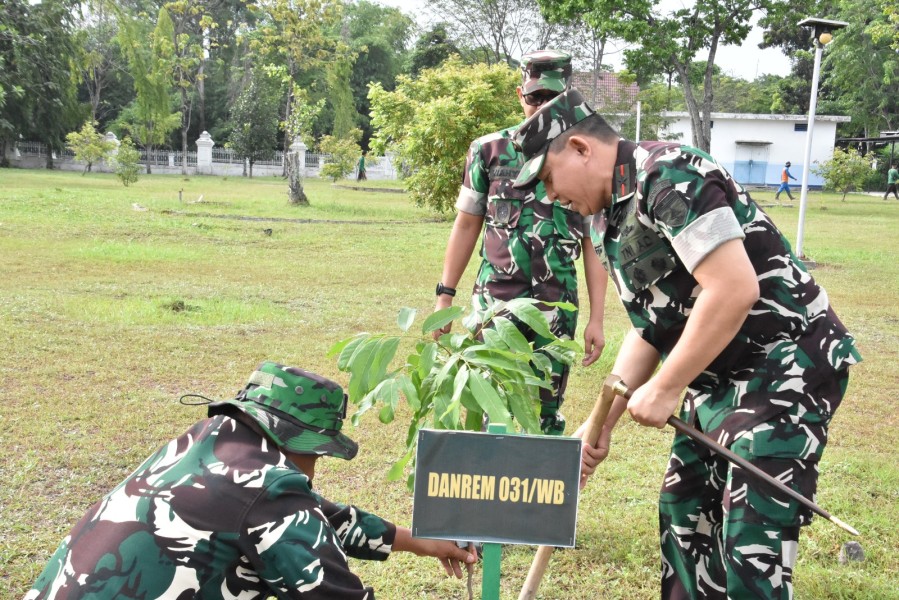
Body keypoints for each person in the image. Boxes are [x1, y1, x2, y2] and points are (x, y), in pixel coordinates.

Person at [511, 88, 861, 599]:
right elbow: (651, 326)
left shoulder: (669, 174)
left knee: (750, 535)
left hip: (785, 363)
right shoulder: (610, 214)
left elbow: (734, 288)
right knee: (685, 514)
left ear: (582, 149)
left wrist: (668, 386)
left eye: (547, 177)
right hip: (720, 376)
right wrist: (598, 426)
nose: (549, 195)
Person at [26, 361, 475, 599]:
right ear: (300, 442)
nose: (315, 468)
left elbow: (315, 516)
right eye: (318, 453)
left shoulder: (207, 445)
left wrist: (417, 541)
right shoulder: (270, 490)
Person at [433, 49, 607, 436]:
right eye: (535, 98)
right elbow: (466, 225)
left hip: (555, 307)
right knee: (485, 404)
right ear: (520, 94)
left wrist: (597, 317)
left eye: (553, 98)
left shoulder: (585, 157)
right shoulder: (489, 150)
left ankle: (535, 489)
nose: (542, 107)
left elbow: (595, 244)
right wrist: (445, 295)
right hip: (494, 304)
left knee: (544, 411)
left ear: (568, 96)